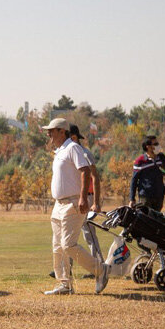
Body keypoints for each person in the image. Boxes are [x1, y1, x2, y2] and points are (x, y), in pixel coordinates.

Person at [42, 118, 110, 295]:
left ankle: (101, 270)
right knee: (57, 245)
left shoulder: (73, 147)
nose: (49, 133)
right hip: (59, 204)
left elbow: (86, 171)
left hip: (72, 203)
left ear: (62, 131)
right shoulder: (59, 151)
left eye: (52, 130)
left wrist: (82, 198)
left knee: (68, 245)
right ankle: (64, 284)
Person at [129, 135, 165, 211]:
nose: (158, 146)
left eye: (157, 143)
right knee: (145, 220)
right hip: (145, 197)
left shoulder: (161, 158)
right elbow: (134, 180)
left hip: (159, 196)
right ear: (148, 146)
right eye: (155, 144)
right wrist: (132, 198)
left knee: (156, 220)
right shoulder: (140, 161)